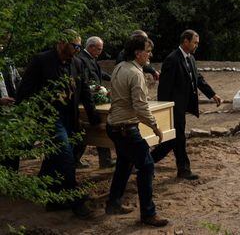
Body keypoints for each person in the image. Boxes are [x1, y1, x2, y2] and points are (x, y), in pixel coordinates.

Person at [16, 29, 100, 218]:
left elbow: (84, 90)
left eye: (80, 46)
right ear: (62, 42)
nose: (78, 49)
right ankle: (76, 201)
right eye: (75, 46)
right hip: (48, 118)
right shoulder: (41, 60)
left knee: (55, 158)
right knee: (65, 156)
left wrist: (93, 116)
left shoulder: (77, 63)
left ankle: (53, 200)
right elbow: (24, 90)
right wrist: (25, 118)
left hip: (69, 117)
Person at [105, 35, 168, 227]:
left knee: (124, 164)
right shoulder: (135, 73)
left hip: (114, 126)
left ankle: (113, 203)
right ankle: (148, 213)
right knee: (147, 166)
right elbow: (141, 107)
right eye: (148, 51)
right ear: (137, 53)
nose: (150, 55)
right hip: (125, 127)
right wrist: (155, 126)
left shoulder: (119, 67)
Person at [151, 29, 222, 180]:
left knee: (174, 139)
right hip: (173, 108)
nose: (197, 45)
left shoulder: (190, 58)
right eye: (194, 42)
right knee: (177, 139)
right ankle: (180, 169)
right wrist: (166, 110)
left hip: (182, 107)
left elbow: (198, 79)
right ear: (185, 41)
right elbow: (164, 88)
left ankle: (146, 162)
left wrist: (212, 94)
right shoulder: (172, 59)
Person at [76, 36, 115, 169]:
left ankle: (106, 160)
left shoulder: (90, 58)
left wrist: (111, 77)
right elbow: (86, 80)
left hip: (95, 97)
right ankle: (75, 159)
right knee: (88, 131)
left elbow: (98, 72)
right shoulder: (82, 59)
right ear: (91, 47)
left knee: (99, 130)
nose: (100, 52)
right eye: (98, 49)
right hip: (87, 99)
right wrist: (98, 90)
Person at [0, 33, 21, 171]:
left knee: (14, 146)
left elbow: (17, 81)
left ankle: (13, 177)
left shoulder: (8, 61)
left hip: (12, 111)